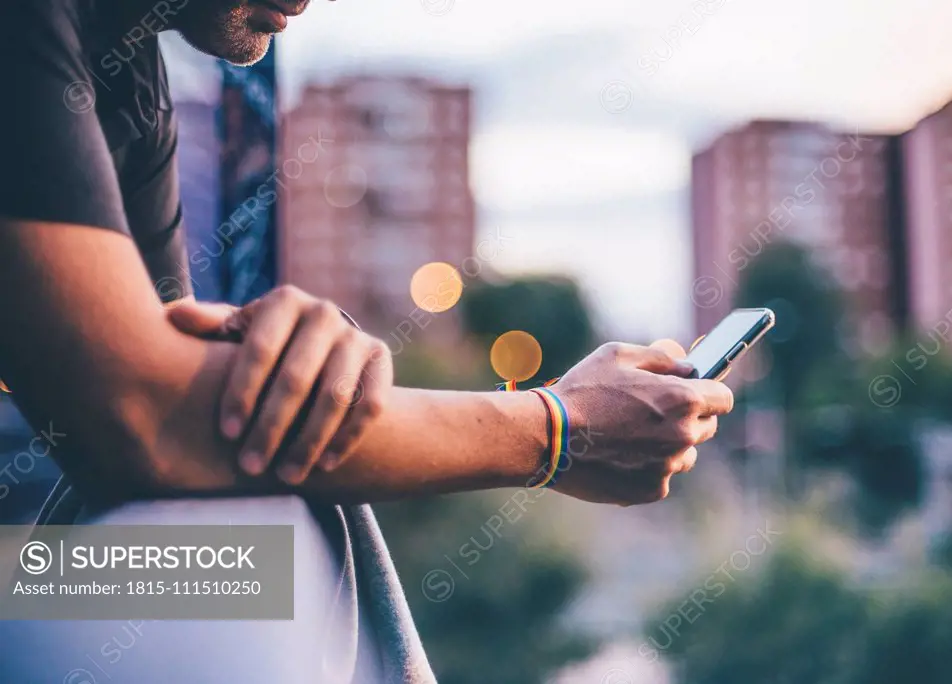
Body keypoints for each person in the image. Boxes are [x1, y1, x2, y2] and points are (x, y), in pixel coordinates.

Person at [0, 1, 735, 682]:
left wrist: (304, 361)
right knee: (265, 521)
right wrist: (557, 430)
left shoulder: (126, 72)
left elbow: (180, 382)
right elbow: (150, 421)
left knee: (283, 488)